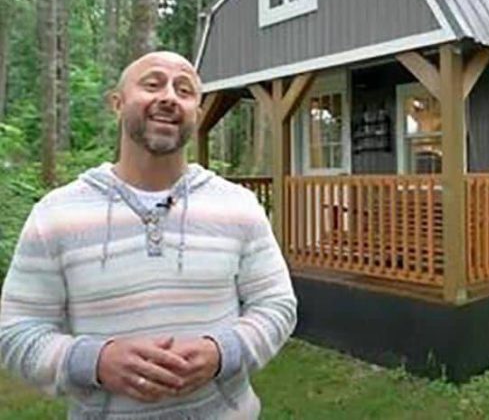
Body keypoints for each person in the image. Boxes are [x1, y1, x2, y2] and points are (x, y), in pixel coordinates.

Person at [0, 51, 297, 419]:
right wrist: (95, 361)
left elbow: (277, 305)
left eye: (184, 90)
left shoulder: (239, 206)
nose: (169, 97)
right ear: (117, 103)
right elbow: (15, 331)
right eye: (152, 84)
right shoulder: (56, 215)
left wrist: (222, 351)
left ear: (197, 115)